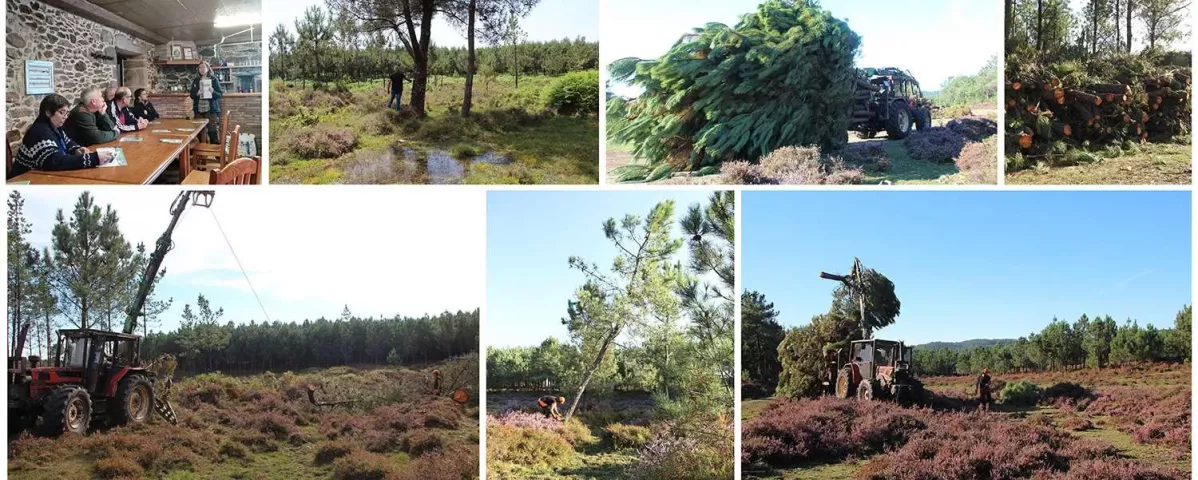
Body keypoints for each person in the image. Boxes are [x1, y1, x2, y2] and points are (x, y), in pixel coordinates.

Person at [10, 94, 112, 178]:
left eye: (67, 113)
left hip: (45, 176)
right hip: (25, 179)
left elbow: (67, 142)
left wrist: (76, 149)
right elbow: (54, 161)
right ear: (48, 113)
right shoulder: (39, 131)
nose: (65, 117)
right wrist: (93, 158)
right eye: (62, 113)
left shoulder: (54, 126)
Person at [190, 61, 224, 143]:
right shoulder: (196, 80)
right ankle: (202, 152)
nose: (202, 69)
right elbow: (191, 95)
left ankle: (217, 155)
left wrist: (213, 92)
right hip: (198, 110)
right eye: (200, 68)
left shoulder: (213, 79)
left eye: (204, 67)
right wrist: (197, 93)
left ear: (208, 68)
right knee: (198, 133)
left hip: (211, 110)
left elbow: (220, 95)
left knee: (213, 133)